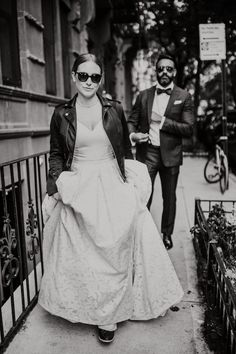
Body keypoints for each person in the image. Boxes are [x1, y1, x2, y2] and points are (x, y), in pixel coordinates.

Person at [38, 53, 184, 344]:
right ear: (73, 77)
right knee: (86, 253)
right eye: (83, 76)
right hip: (78, 181)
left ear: (101, 79)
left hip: (111, 182)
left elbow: (124, 151)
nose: (89, 82)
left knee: (114, 248)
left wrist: (128, 179)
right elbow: (56, 152)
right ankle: (93, 305)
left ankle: (110, 315)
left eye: (95, 76)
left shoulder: (114, 109)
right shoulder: (60, 113)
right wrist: (56, 183)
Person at [127, 54, 194, 250]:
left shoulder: (184, 96)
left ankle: (167, 234)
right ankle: (142, 233)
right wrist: (134, 135)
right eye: (161, 68)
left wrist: (163, 121)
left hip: (171, 155)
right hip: (147, 153)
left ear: (174, 72)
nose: (164, 71)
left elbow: (189, 128)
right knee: (143, 194)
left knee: (169, 197)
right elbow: (131, 121)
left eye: (169, 68)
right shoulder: (143, 96)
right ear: (156, 71)